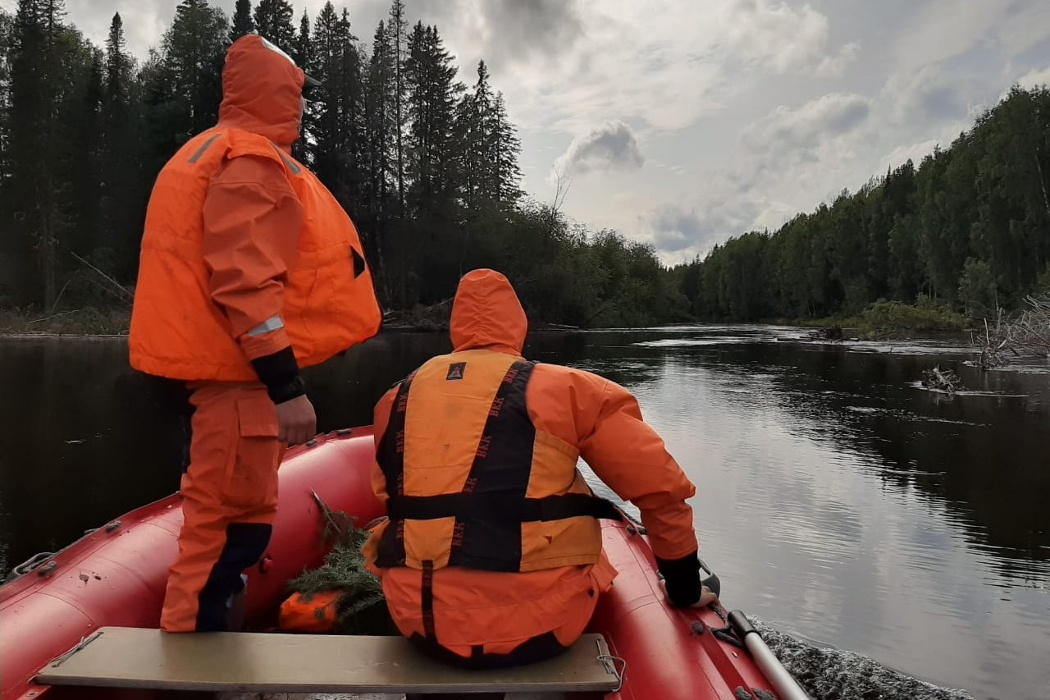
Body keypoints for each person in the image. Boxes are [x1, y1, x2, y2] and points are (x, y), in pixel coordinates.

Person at [128, 33, 382, 633]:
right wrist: (285, 385)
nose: (300, 104)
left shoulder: (207, 152)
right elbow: (245, 284)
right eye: (295, 93)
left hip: (222, 379)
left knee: (230, 534)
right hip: (239, 387)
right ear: (280, 93)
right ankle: (190, 667)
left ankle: (205, 654)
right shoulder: (249, 162)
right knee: (222, 540)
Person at [363, 268, 715, 697]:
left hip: (417, 623)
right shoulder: (568, 388)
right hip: (539, 631)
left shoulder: (393, 399)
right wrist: (682, 588)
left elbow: (389, 499)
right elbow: (662, 492)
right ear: (518, 324)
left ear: (455, 327)